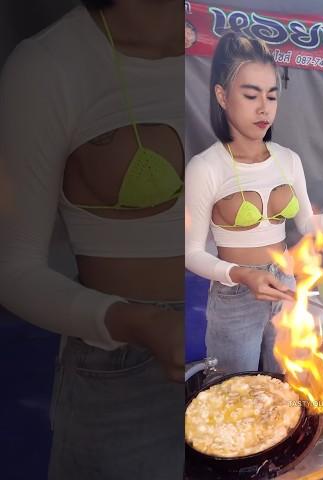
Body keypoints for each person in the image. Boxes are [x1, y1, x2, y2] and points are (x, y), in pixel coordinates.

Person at [0, 0, 184, 478]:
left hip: (242, 339)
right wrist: (137, 322)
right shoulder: (50, 65)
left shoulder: (234, 44)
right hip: (125, 364)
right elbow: (12, 269)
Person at [185, 32, 323, 374]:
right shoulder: (206, 167)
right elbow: (191, 254)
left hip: (285, 285)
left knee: (288, 387)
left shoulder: (288, 160)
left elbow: (307, 226)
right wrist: (241, 274)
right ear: (222, 96)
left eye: (271, 96)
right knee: (238, 399)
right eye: (251, 95)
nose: (264, 108)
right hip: (235, 294)